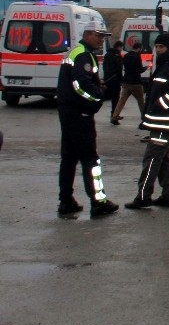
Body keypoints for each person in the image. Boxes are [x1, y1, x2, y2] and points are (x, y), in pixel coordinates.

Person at [56, 19, 119, 218]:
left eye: (103, 36)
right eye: (98, 36)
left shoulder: (76, 52)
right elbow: (79, 85)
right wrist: (98, 95)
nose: (101, 40)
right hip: (80, 115)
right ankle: (98, 202)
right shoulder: (84, 55)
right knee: (90, 160)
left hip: (68, 113)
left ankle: (66, 201)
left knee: (69, 158)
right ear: (87, 35)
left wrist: (95, 85)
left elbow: (75, 82)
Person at [124, 33, 169, 209]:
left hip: (164, 122)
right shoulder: (166, 63)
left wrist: (158, 106)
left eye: (161, 47)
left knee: (151, 159)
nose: (158, 50)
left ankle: (143, 196)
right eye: (157, 47)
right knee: (164, 159)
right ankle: (168, 195)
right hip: (162, 121)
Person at [111, 41, 147, 124]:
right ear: (139, 48)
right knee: (141, 101)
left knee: (122, 100)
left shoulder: (126, 55)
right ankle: (144, 117)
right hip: (135, 82)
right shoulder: (137, 57)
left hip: (126, 81)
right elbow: (139, 70)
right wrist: (145, 67)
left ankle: (115, 116)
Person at [103, 40, 124, 123]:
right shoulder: (117, 56)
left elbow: (104, 67)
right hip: (115, 80)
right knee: (115, 99)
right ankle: (114, 116)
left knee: (104, 96)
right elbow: (119, 68)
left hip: (107, 79)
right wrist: (121, 79)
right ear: (119, 47)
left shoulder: (107, 55)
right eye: (121, 48)